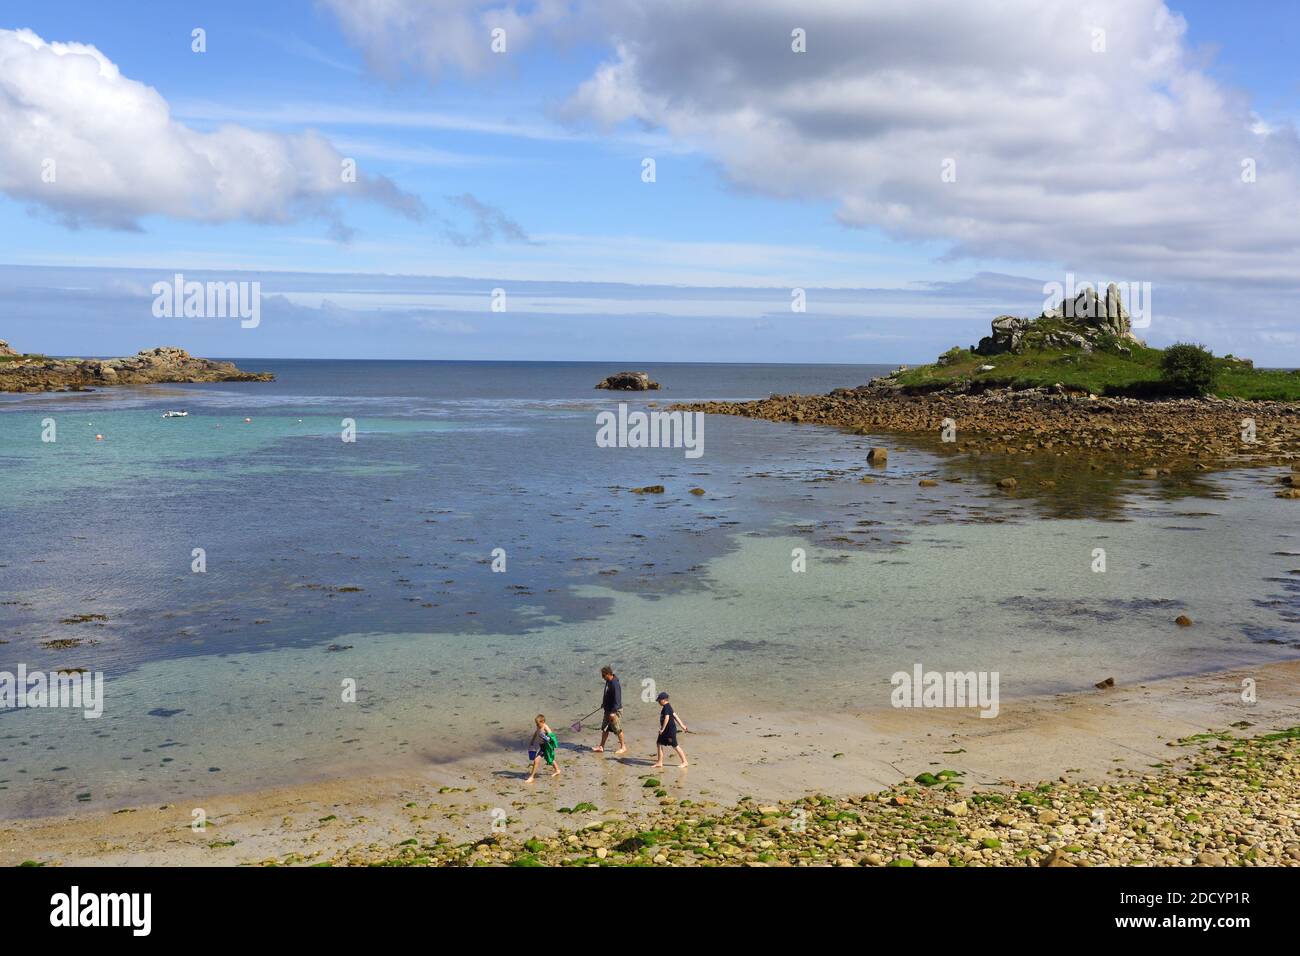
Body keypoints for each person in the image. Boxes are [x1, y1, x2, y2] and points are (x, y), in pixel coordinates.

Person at [592, 665, 626, 754]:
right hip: (608, 710)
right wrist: (604, 703)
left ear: (608, 674)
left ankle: (623, 747)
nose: (602, 678)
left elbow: (617, 699)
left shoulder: (615, 684)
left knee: (617, 729)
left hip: (614, 711)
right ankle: (601, 747)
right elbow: (607, 694)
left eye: (603, 675)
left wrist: (613, 712)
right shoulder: (608, 681)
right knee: (605, 729)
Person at [651, 691, 688, 768]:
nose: (658, 702)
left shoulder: (666, 707)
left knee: (675, 746)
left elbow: (667, 718)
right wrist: (682, 725)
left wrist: (662, 729)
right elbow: (675, 715)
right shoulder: (668, 706)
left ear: (664, 700)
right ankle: (660, 762)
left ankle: (685, 762)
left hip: (669, 731)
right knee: (659, 743)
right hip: (665, 731)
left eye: (659, 700)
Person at [525, 714, 560, 782]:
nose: (537, 725)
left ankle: (532, 777)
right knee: (549, 758)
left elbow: (551, 736)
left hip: (545, 747)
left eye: (538, 724)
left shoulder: (545, 727)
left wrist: (546, 737)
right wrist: (532, 740)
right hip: (541, 745)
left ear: (543, 722)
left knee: (536, 760)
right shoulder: (538, 726)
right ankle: (557, 770)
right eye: (536, 724)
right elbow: (536, 732)